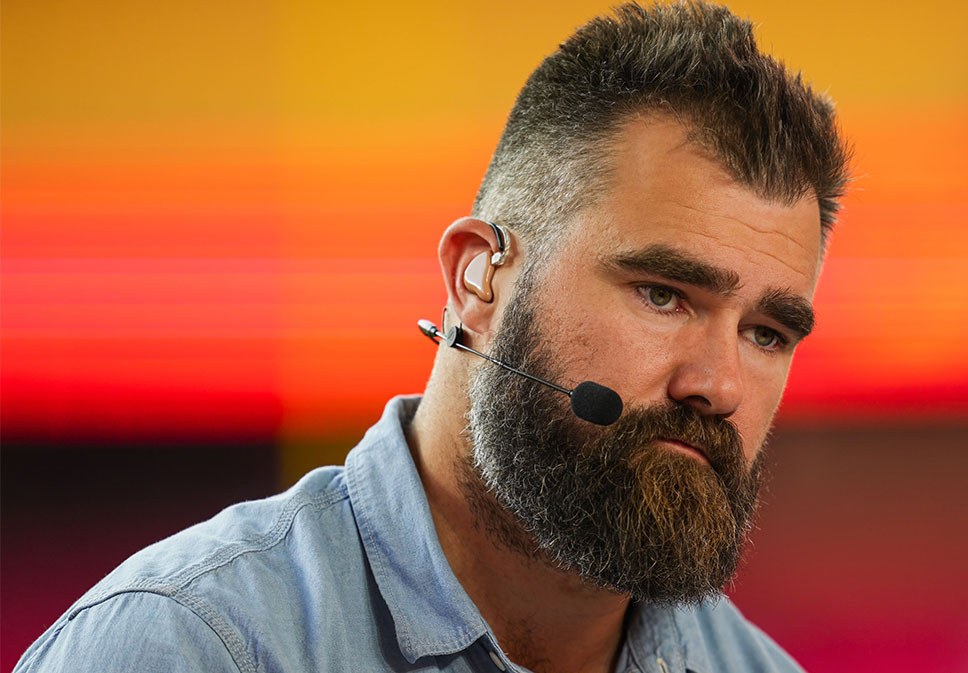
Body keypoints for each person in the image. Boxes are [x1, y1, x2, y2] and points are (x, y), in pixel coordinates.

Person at [16, 2, 849, 672]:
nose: (719, 383)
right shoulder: (190, 646)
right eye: (663, 294)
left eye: (768, 333)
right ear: (477, 279)